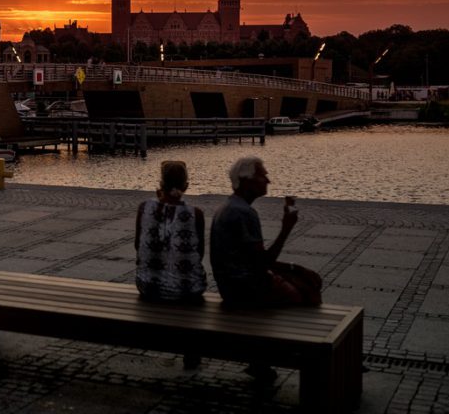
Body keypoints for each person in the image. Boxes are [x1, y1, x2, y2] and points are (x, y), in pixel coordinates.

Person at [210, 156, 323, 382]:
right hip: (246, 289)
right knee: (309, 290)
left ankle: (260, 360)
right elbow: (263, 263)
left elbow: (253, 259)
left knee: (306, 276)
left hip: (231, 283)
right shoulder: (244, 213)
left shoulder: (229, 206)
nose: (268, 180)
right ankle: (311, 355)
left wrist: (292, 267)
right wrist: (286, 228)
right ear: (247, 181)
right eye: (263, 175)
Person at [135, 160, 207, 369]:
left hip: (148, 285)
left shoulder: (144, 208)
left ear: (161, 183)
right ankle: (191, 353)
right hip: (186, 291)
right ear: (186, 185)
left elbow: (137, 246)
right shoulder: (196, 214)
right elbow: (198, 254)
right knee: (189, 285)